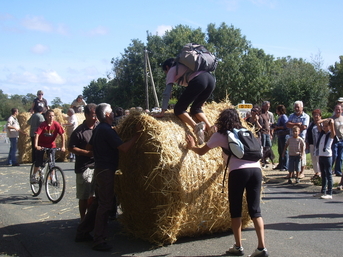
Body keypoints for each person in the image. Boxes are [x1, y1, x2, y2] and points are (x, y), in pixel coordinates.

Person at [185, 108, 268, 257]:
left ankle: (238, 246)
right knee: (255, 210)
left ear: (222, 120)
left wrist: (192, 147)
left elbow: (202, 151)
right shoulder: (246, 132)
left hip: (238, 173)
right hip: (256, 171)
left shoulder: (221, 135)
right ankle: (262, 248)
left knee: (235, 210)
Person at [75, 103, 142, 251]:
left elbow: (88, 148)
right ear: (106, 115)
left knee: (98, 203)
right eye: (111, 111)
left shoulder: (100, 129)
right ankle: (99, 240)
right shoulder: (106, 130)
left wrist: (106, 142)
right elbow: (124, 148)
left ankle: (82, 232)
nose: (113, 113)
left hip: (99, 169)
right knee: (105, 205)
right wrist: (137, 134)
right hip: (106, 170)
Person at [155, 58, 216, 145]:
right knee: (196, 108)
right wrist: (201, 99)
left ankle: (196, 127)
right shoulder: (186, 66)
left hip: (199, 80)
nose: (166, 74)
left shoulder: (172, 70)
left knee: (178, 109)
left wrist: (162, 111)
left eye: (165, 72)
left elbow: (167, 93)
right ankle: (210, 129)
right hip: (211, 79)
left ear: (167, 67)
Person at [68, 103, 97, 220]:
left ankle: (90, 218)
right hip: (84, 167)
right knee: (84, 196)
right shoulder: (79, 131)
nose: (95, 118)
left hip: (97, 166)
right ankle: (83, 219)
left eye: (96, 116)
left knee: (94, 196)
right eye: (93, 116)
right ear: (86, 115)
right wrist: (87, 153)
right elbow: (71, 148)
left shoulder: (99, 127)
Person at [30, 110, 65, 183]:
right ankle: (33, 175)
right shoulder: (43, 125)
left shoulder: (56, 124)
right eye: (49, 116)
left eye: (52, 115)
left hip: (51, 145)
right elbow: (37, 135)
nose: (51, 117)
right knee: (39, 161)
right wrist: (36, 145)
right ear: (46, 116)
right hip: (41, 145)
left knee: (52, 163)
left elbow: (62, 135)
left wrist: (63, 146)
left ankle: (53, 178)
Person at [313, 118, 336, 199]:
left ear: (329, 127)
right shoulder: (322, 133)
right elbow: (318, 122)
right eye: (324, 126)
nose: (324, 127)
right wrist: (326, 119)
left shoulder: (330, 135)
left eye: (326, 126)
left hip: (327, 156)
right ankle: (323, 191)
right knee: (323, 174)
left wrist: (331, 122)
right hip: (321, 155)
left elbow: (333, 129)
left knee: (328, 174)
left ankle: (329, 193)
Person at [286, 100, 310, 179]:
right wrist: (297, 124)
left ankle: (301, 172)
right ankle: (291, 172)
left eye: (298, 107)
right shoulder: (291, 115)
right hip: (292, 138)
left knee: (301, 155)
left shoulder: (306, 116)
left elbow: (304, 127)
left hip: (301, 138)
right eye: (295, 107)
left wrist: (293, 125)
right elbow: (287, 124)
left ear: (302, 108)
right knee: (292, 155)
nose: (296, 108)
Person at [306, 109, 321, 178]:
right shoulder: (311, 124)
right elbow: (307, 133)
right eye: (314, 115)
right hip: (311, 143)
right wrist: (307, 142)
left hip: (319, 144)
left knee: (319, 159)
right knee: (313, 159)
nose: (315, 116)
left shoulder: (322, 124)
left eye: (317, 115)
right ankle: (316, 172)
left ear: (320, 116)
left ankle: (320, 173)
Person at [273, 105, 288, 171]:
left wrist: (277, 127)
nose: (276, 111)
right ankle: (280, 164)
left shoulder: (284, 117)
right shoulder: (280, 117)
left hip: (284, 136)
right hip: (280, 135)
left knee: (284, 151)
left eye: (277, 109)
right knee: (280, 150)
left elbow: (286, 126)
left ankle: (285, 166)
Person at [331, 104, 343, 177]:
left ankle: (338, 171)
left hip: (342, 139)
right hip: (335, 140)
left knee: (340, 157)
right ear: (334, 110)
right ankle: (329, 169)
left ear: (341, 110)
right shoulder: (332, 119)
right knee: (334, 155)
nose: (338, 111)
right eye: (336, 109)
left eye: (339, 109)